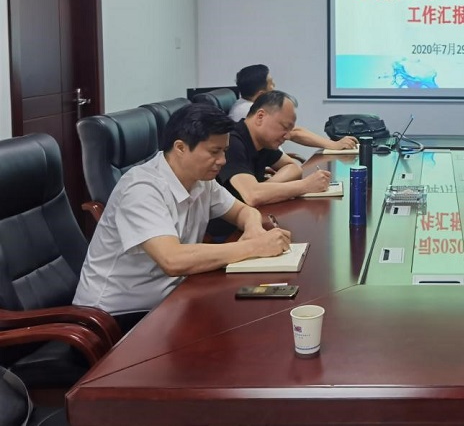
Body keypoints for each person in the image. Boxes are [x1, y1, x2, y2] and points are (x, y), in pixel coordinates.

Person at [73, 103, 291, 332]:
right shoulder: (141, 189)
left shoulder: (201, 180)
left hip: (173, 295)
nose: (223, 160)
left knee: (253, 315)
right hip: (117, 315)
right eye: (214, 152)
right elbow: (173, 260)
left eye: (224, 151)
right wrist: (254, 247)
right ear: (180, 147)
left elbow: (243, 211)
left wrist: (253, 229)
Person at [218, 90, 332, 207]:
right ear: (260, 116)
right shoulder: (231, 143)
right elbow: (253, 196)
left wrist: (266, 187)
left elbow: (293, 167)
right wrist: (305, 185)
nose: (287, 136)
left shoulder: (262, 141)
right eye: (284, 127)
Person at [230, 64, 356, 151]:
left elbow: (294, 130)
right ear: (261, 95)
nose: (274, 86)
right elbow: (293, 133)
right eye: (271, 84)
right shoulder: (247, 110)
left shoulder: (244, 104)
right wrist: (333, 145)